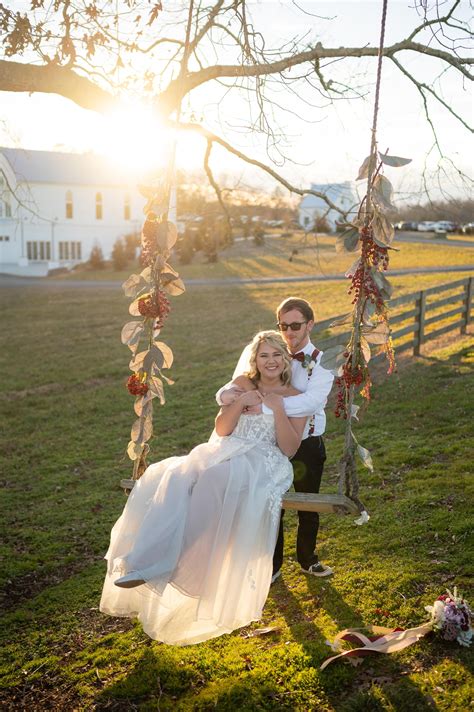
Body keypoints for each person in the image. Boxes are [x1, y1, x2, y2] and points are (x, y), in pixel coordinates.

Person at [100, 330, 307, 646]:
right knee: (171, 474)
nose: (271, 361)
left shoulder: (295, 396)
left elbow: (290, 448)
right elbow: (222, 429)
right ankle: (149, 559)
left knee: (212, 480)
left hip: (266, 460)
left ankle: (181, 566)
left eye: (277, 355)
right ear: (255, 359)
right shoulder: (243, 386)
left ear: (285, 358)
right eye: (264, 355)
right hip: (229, 449)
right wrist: (240, 404)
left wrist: (277, 408)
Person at [216, 297, 334, 581]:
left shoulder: (321, 365)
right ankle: (273, 564)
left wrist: (259, 407)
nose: (290, 332)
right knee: (272, 503)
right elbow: (228, 390)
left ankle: (308, 559)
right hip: (270, 442)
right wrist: (226, 397)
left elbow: (309, 403)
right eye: (284, 325)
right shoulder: (272, 353)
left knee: (307, 504)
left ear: (310, 324)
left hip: (307, 442)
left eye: (296, 325)